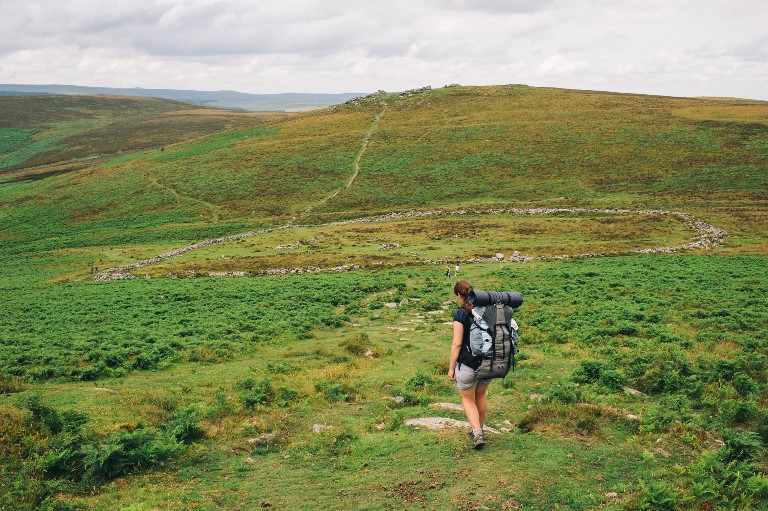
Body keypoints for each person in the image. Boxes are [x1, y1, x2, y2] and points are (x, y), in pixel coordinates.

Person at [448, 279, 492, 449]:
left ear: (459, 296)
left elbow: (457, 343)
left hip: (467, 364)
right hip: (488, 362)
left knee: (468, 399)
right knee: (480, 396)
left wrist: (451, 368)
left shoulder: (460, 314)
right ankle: (479, 428)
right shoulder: (485, 310)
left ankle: (477, 432)